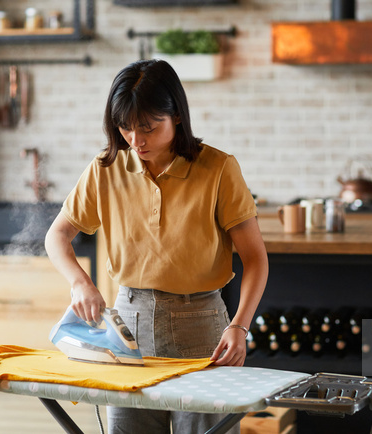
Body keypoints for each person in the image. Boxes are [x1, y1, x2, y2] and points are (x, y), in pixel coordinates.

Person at [45, 59, 268, 434]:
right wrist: (80, 282)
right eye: (126, 128)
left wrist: (239, 327)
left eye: (148, 128)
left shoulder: (218, 169)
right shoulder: (105, 168)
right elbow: (57, 236)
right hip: (127, 322)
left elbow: (256, 260)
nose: (136, 141)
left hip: (202, 327)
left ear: (177, 117)